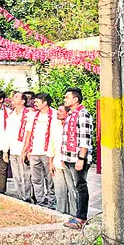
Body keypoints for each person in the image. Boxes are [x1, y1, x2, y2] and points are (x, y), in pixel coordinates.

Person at [61, 87, 94, 230]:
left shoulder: (82, 115)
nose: (64, 99)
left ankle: (81, 218)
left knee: (81, 187)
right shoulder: (70, 115)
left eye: (67, 97)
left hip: (78, 158)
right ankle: (77, 215)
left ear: (75, 99)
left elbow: (85, 140)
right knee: (75, 187)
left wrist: (81, 159)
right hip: (69, 157)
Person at [22, 93, 55, 208]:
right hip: (33, 152)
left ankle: (52, 203)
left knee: (50, 179)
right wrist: (25, 151)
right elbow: (28, 133)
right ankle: (40, 202)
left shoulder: (55, 114)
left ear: (45, 103)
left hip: (48, 152)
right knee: (36, 179)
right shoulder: (33, 115)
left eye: (37, 102)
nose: (34, 103)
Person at [3, 92, 33, 202]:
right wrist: (5, 151)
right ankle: (20, 197)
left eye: (16, 97)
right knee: (16, 176)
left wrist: (26, 150)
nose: (13, 99)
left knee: (25, 175)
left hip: (23, 150)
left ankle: (27, 197)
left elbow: (30, 133)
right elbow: (7, 133)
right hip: (13, 149)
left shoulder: (29, 114)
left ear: (23, 101)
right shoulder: (11, 115)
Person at [48, 105, 76, 216]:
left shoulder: (72, 125)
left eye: (60, 111)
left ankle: (75, 216)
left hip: (70, 163)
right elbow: (52, 144)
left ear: (67, 113)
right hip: (57, 162)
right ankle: (61, 215)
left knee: (73, 190)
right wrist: (50, 162)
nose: (57, 113)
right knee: (60, 191)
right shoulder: (55, 126)